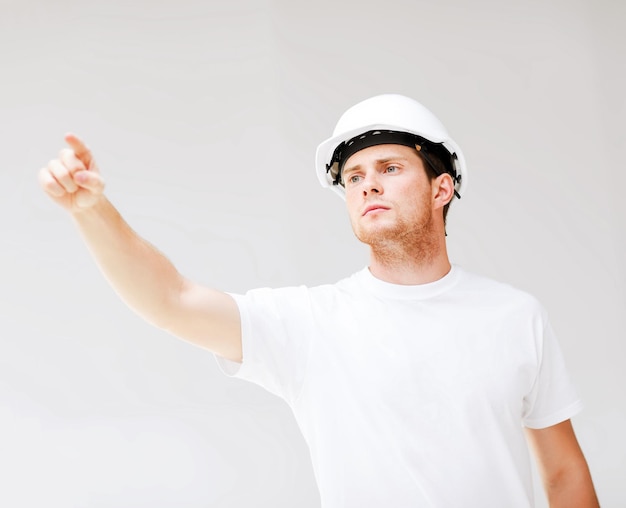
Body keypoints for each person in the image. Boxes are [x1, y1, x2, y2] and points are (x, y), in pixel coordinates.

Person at [39, 94, 599, 507]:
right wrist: (93, 213)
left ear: (441, 188)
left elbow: (564, 477)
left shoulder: (514, 316)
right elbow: (171, 298)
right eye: (353, 176)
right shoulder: (311, 323)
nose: (367, 185)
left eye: (390, 168)